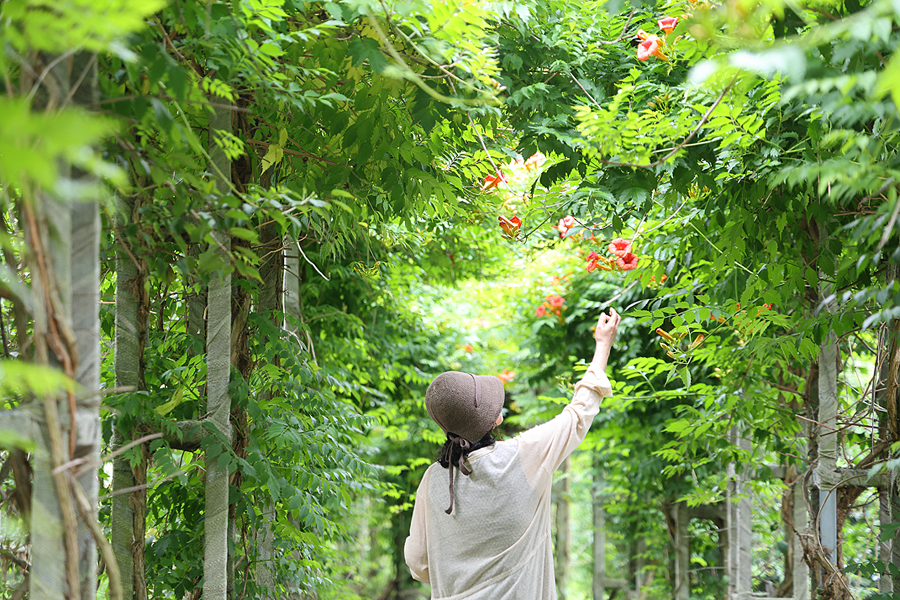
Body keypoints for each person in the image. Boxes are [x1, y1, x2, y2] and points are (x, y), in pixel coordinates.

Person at [404, 308, 621, 599]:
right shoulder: (523, 457)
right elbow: (579, 414)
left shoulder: (433, 480)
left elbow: (418, 561)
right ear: (495, 420)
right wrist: (602, 344)